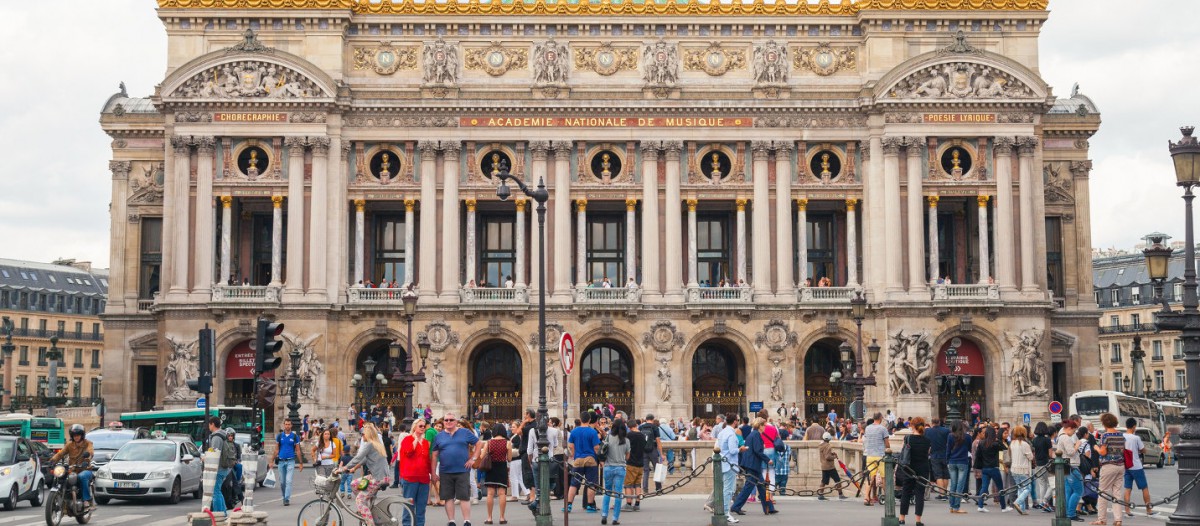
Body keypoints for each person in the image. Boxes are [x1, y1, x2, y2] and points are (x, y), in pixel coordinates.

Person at [338, 423, 392, 525]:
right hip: (381, 476)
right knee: (354, 484)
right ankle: (366, 509)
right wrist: (353, 468)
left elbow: (358, 458)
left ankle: (369, 521)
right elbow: (364, 459)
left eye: (363, 434)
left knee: (359, 500)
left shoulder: (369, 445)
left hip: (378, 478)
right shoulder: (377, 444)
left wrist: (344, 468)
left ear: (368, 434)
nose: (362, 436)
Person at [432, 412, 479, 526]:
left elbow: (479, 443)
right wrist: (433, 472)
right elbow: (434, 455)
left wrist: (473, 459)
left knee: (464, 497)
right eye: (446, 420)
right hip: (445, 471)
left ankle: (467, 521)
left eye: (451, 420)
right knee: (448, 497)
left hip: (462, 470)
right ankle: (451, 521)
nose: (448, 422)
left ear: (456, 422)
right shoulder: (439, 436)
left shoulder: (465, 432)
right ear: (443, 422)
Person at [729, 418, 777, 516]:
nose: (765, 427)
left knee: (762, 486)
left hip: (752, 464)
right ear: (759, 426)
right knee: (749, 487)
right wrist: (768, 460)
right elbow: (757, 451)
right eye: (764, 425)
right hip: (753, 465)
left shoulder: (754, 434)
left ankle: (769, 507)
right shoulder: (756, 435)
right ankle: (736, 506)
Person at [49, 424, 95, 510]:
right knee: (62, 476)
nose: (76, 437)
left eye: (78, 435)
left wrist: (87, 458)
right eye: (74, 435)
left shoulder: (88, 443)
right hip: (72, 469)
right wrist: (52, 461)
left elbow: (90, 452)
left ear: (82, 435)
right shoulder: (69, 445)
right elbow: (60, 453)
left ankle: (86, 500)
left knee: (82, 476)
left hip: (85, 469)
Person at [1092, 412, 1127, 524]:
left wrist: (1096, 447)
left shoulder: (1105, 435)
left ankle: (1101, 519)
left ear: (1104, 423)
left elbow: (1103, 452)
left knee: (1103, 492)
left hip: (1109, 465)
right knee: (1116, 493)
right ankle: (1118, 520)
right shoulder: (1121, 435)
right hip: (1121, 466)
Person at [565, 412, 601, 513]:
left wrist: (574, 454)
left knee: (574, 483)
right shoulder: (592, 432)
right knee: (591, 483)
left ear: (580, 419)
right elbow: (596, 447)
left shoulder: (574, 431)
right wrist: (597, 455)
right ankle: (590, 505)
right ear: (589, 420)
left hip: (578, 459)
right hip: (590, 459)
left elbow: (571, 445)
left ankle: (569, 504)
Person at [898, 417, 931, 526]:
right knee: (919, 495)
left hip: (909, 469)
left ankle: (902, 519)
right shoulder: (927, 440)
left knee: (906, 493)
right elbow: (928, 453)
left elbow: (904, 453)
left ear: (912, 426)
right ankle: (918, 520)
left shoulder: (908, 438)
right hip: (923, 469)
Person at [399, 418, 432, 526]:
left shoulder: (426, 442)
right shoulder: (407, 439)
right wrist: (415, 440)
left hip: (423, 478)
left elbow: (427, 460)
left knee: (421, 508)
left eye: (424, 426)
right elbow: (408, 452)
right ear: (414, 427)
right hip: (410, 477)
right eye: (420, 426)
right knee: (409, 506)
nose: (423, 428)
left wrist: (432, 474)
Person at [600, 418, 631, 525]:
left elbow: (604, 450)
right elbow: (627, 456)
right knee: (618, 494)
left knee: (607, 492)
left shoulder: (608, 437)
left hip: (608, 467)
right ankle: (615, 518)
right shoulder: (626, 440)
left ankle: (604, 515)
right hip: (620, 468)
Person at [1122, 418, 1156, 517]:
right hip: (1136, 466)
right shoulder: (1136, 438)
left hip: (1126, 466)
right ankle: (1149, 510)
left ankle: (1127, 510)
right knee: (1144, 488)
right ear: (1133, 427)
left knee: (1127, 488)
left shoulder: (1122, 436)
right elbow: (1143, 450)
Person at [480, 423, 511, 525]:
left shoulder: (489, 442)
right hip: (501, 468)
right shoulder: (507, 442)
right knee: (502, 493)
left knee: (490, 494)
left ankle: (489, 518)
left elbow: (482, 456)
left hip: (491, 468)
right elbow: (509, 458)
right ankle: (502, 517)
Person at [268, 418, 303, 506]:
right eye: (286, 424)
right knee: (282, 482)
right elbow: (276, 450)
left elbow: (298, 450)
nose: (287, 426)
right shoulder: (279, 436)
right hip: (281, 461)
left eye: (289, 424)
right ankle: (284, 497)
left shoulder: (295, 437)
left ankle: (287, 499)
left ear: (291, 425)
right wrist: (271, 461)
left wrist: (301, 463)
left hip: (291, 461)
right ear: (284, 425)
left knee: (288, 481)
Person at [1055, 419, 1084, 522]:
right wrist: (1077, 445)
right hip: (1072, 466)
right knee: (1078, 491)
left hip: (1066, 467)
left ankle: (1067, 512)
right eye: (1074, 431)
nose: (1073, 433)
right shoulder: (1066, 438)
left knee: (1068, 491)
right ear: (1069, 428)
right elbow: (1071, 452)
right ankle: (1071, 513)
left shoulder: (1060, 436)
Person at [974, 426, 1007, 513]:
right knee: (1000, 488)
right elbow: (1004, 448)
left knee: (984, 487)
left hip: (985, 468)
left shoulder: (981, 443)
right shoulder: (995, 443)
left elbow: (978, 455)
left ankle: (980, 505)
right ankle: (1003, 507)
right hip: (994, 468)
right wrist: (998, 439)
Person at [717, 415, 743, 524]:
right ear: (735, 422)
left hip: (723, 463)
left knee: (725, 489)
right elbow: (732, 451)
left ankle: (723, 510)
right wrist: (740, 449)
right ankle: (726, 513)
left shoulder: (722, 432)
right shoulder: (731, 434)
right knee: (728, 490)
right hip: (730, 464)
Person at [205, 418, 234, 513]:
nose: (208, 427)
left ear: (212, 424)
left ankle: (218, 514)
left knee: (215, 492)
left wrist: (205, 457)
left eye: (209, 424)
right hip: (223, 467)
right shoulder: (222, 435)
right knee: (218, 491)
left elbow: (214, 453)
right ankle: (223, 513)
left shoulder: (216, 437)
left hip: (218, 468)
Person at [862, 413, 890, 506]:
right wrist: (889, 450)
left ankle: (866, 498)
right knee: (884, 477)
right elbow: (887, 443)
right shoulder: (883, 429)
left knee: (870, 478)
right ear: (880, 418)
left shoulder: (867, 428)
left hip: (869, 455)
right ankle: (888, 497)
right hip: (880, 456)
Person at [947, 421, 972, 515]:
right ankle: (956, 507)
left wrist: (947, 460)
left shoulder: (950, 436)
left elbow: (948, 449)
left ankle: (951, 506)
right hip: (963, 462)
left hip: (952, 461)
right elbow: (969, 449)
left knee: (953, 485)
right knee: (960, 485)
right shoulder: (967, 437)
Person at [1009, 425, 1035, 513]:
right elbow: (1030, 457)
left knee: (1020, 488)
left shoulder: (1012, 443)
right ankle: (1017, 502)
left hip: (1014, 469)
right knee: (1027, 488)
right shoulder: (1024, 444)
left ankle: (1022, 509)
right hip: (1023, 469)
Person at [924, 418, 950, 500]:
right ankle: (945, 493)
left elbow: (926, 442)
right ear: (939, 422)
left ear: (932, 423)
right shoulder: (946, 431)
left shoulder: (928, 431)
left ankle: (942, 494)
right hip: (945, 454)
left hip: (934, 455)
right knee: (945, 474)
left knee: (938, 475)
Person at [1031, 422, 1055, 512]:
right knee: (1051, 484)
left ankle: (1042, 502)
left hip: (1038, 464)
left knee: (1042, 484)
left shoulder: (1034, 440)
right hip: (1047, 463)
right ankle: (1045, 501)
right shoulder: (1047, 440)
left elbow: (1033, 453)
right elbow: (1050, 453)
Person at [624, 420, 646, 512]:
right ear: (636, 425)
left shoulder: (629, 435)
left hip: (631, 463)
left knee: (628, 484)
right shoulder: (642, 435)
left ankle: (629, 503)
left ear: (629, 427)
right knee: (638, 484)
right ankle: (637, 503)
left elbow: (625, 448)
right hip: (640, 463)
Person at [816, 433, 845, 500]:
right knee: (837, 480)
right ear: (829, 439)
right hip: (830, 467)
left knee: (823, 481)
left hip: (824, 466)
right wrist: (834, 456)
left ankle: (820, 494)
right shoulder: (828, 446)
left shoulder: (821, 445)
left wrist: (831, 454)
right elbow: (827, 457)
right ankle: (840, 494)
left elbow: (825, 454)